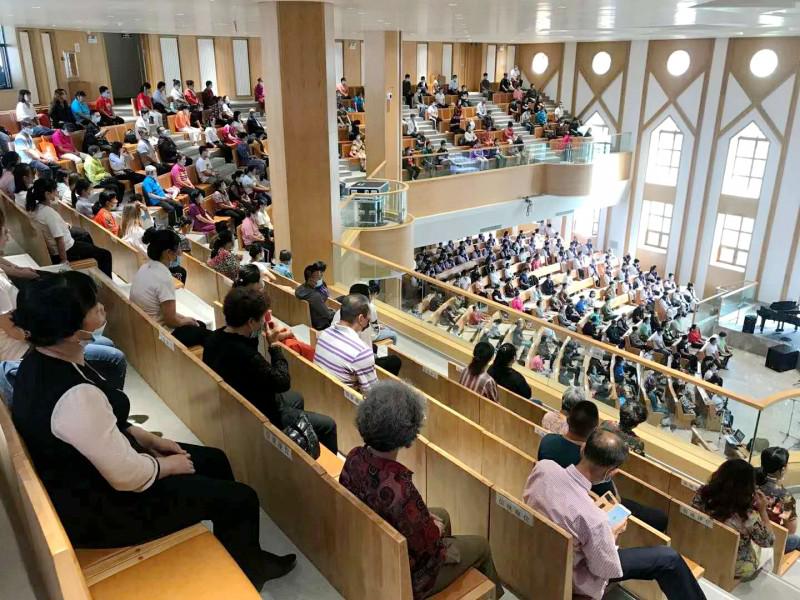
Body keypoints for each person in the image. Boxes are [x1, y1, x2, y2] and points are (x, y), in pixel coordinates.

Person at [10, 273, 295, 588]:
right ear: (69, 328)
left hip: (95, 476)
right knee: (241, 498)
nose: (102, 309)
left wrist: (142, 436)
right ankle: (249, 571)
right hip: (106, 511)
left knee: (215, 459)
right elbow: (127, 476)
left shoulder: (41, 360)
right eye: (93, 307)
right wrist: (166, 465)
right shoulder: (74, 396)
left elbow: (98, 429)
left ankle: (238, 548)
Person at [341, 380, 503, 599]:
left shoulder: (354, 456)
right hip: (410, 576)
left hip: (373, 543)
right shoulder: (400, 490)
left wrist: (428, 524)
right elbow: (426, 548)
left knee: (442, 514)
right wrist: (436, 536)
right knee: (481, 546)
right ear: (408, 433)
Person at [524, 429, 705, 600]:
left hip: (537, 552)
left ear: (583, 448)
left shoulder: (543, 468)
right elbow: (605, 569)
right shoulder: (595, 520)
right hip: (574, 577)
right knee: (669, 559)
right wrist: (612, 534)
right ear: (611, 472)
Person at [203, 286, 338, 453]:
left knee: (296, 397)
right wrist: (274, 345)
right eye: (261, 319)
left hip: (236, 401)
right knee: (328, 425)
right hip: (258, 413)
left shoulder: (213, 339)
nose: (263, 323)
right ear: (251, 322)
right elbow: (282, 381)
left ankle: (299, 442)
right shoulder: (246, 356)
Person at [538, 400, 667, 532]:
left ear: (568, 420)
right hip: (590, 510)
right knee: (659, 518)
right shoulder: (595, 463)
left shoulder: (547, 441)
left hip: (552, 502)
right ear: (594, 431)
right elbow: (614, 500)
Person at [692, 460, 774, 581]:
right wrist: (763, 510)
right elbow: (769, 541)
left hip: (700, 546)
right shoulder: (747, 515)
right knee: (770, 551)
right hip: (731, 563)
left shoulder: (703, 493)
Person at [130, 228, 210, 347]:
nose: (180, 253)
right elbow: (171, 320)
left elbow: (166, 311)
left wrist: (185, 319)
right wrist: (187, 321)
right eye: (178, 248)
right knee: (203, 329)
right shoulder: (164, 277)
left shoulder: (145, 267)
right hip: (160, 334)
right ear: (168, 253)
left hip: (145, 325)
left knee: (196, 323)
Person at [25, 179, 112, 277]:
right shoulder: (49, 214)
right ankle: (108, 284)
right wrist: (64, 261)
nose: (57, 192)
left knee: (84, 236)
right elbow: (59, 240)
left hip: (63, 245)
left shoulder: (36, 209)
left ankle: (94, 272)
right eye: (55, 190)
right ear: (47, 194)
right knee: (105, 254)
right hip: (67, 250)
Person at [314, 294, 378, 392]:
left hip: (324, 393)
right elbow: (373, 394)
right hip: (348, 403)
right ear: (361, 319)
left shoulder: (324, 334)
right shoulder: (361, 352)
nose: (368, 323)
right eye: (368, 320)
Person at [756, 446, 800, 553]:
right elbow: (790, 531)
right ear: (783, 469)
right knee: (796, 540)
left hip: (747, 530)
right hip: (767, 541)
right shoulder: (785, 498)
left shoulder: (749, 479)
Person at [295, 263, 335, 331]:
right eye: (318, 277)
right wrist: (334, 312)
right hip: (320, 325)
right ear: (310, 279)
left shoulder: (299, 289)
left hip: (310, 318)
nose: (320, 279)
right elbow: (327, 315)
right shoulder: (315, 296)